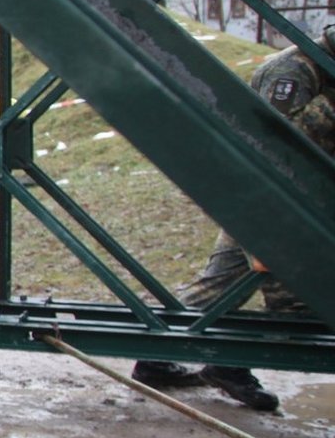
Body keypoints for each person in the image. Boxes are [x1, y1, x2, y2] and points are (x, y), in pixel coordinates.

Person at [130, 32, 332, 412]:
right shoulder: (294, 72)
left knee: (220, 286)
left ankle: (156, 356)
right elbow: (270, 150)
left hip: (275, 199)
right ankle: (229, 363)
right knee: (300, 310)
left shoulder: (320, 70)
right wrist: (265, 235)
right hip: (267, 200)